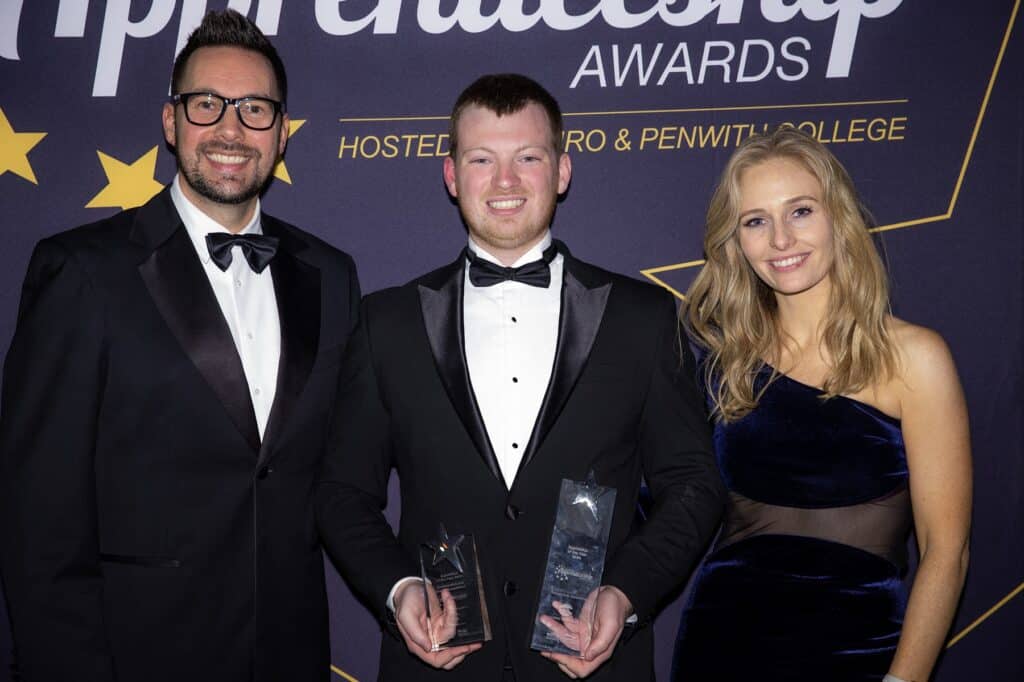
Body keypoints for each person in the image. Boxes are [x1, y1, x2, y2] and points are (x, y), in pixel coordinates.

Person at [316, 73, 724, 682]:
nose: (505, 182)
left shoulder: (643, 318)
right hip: (438, 664)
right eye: (482, 159)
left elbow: (694, 484)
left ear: (561, 171)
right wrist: (398, 588)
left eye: (527, 158)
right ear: (452, 176)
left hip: (593, 664)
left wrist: (626, 594)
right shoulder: (386, 323)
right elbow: (342, 492)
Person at [0, 10, 359, 682]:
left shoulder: (332, 276)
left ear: (282, 133)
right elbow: (36, 521)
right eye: (206, 105)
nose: (231, 128)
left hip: (290, 656)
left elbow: (340, 474)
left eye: (255, 108)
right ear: (171, 122)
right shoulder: (82, 272)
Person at [672, 127, 972, 681]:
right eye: (756, 221)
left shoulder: (913, 358)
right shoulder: (725, 365)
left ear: (839, 217)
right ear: (736, 241)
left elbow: (946, 552)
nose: (781, 239)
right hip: (720, 642)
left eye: (801, 211)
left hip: (859, 650)